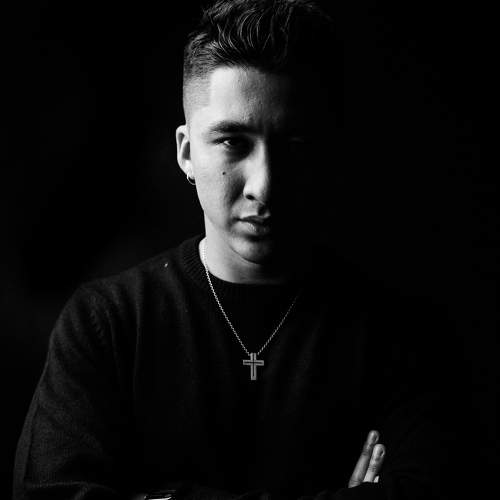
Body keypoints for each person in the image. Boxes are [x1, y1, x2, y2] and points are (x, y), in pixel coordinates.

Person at [13, 1, 467, 499]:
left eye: (294, 143)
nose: (264, 186)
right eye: (232, 141)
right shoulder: (107, 323)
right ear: (187, 152)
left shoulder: (401, 337)